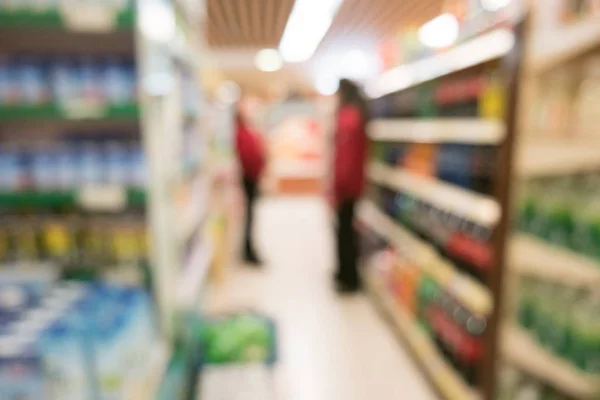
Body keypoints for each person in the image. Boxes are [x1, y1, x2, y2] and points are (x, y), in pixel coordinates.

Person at [332, 79, 369, 293]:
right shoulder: (358, 113)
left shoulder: (348, 117)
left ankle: (348, 277)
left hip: (346, 187)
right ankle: (349, 274)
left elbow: (344, 158)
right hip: (354, 185)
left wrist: (338, 188)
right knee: (348, 230)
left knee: (344, 232)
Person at [235, 99, 266, 266]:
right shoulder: (241, 132)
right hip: (248, 180)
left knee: (251, 217)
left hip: (252, 179)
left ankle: (250, 249)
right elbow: (247, 157)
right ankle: (248, 251)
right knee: (249, 217)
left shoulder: (246, 130)